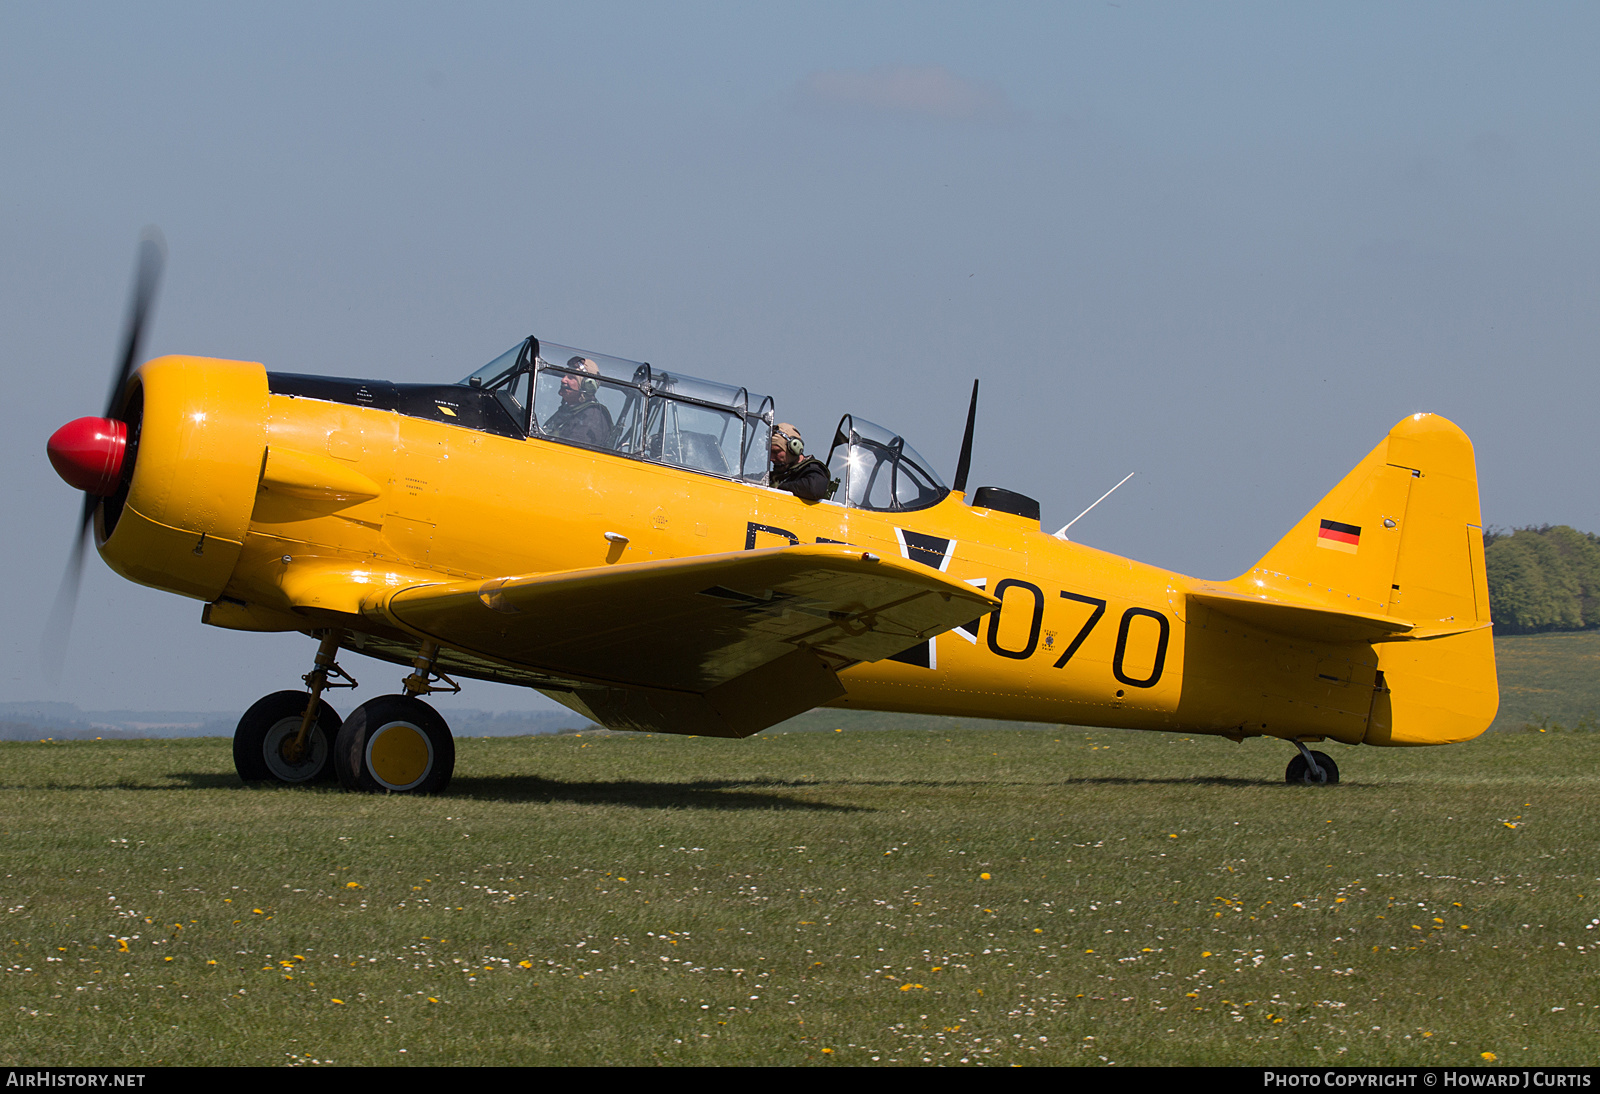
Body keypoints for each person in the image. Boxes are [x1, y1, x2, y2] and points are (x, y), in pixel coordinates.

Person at [544, 357, 613, 448]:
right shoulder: (569, 410)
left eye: (571, 377)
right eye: (565, 375)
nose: (563, 380)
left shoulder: (592, 416)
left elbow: (572, 452)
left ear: (587, 386)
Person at [768, 422, 830, 500]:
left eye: (776, 452)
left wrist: (781, 488)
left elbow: (814, 489)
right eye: (770, 452)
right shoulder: (778, 475)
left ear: (794, 448)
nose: (771, 458)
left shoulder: (812, 470)